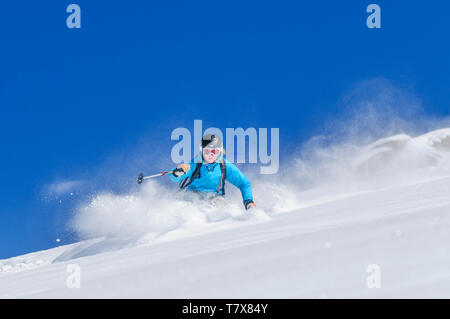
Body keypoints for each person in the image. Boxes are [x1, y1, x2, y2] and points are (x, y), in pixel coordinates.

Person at [169, 134, 256, 210]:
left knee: (221, 206)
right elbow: (175, 178)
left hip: (215, 197)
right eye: (207, 151)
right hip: (193, 194)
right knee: (191, 200)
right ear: (202, 151)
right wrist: (177, 172)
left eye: (214, 151)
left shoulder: (224, 165)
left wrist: (248, 201)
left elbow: (244, 183)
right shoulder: (195, 164)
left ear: (220, 151)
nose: (211, 155)